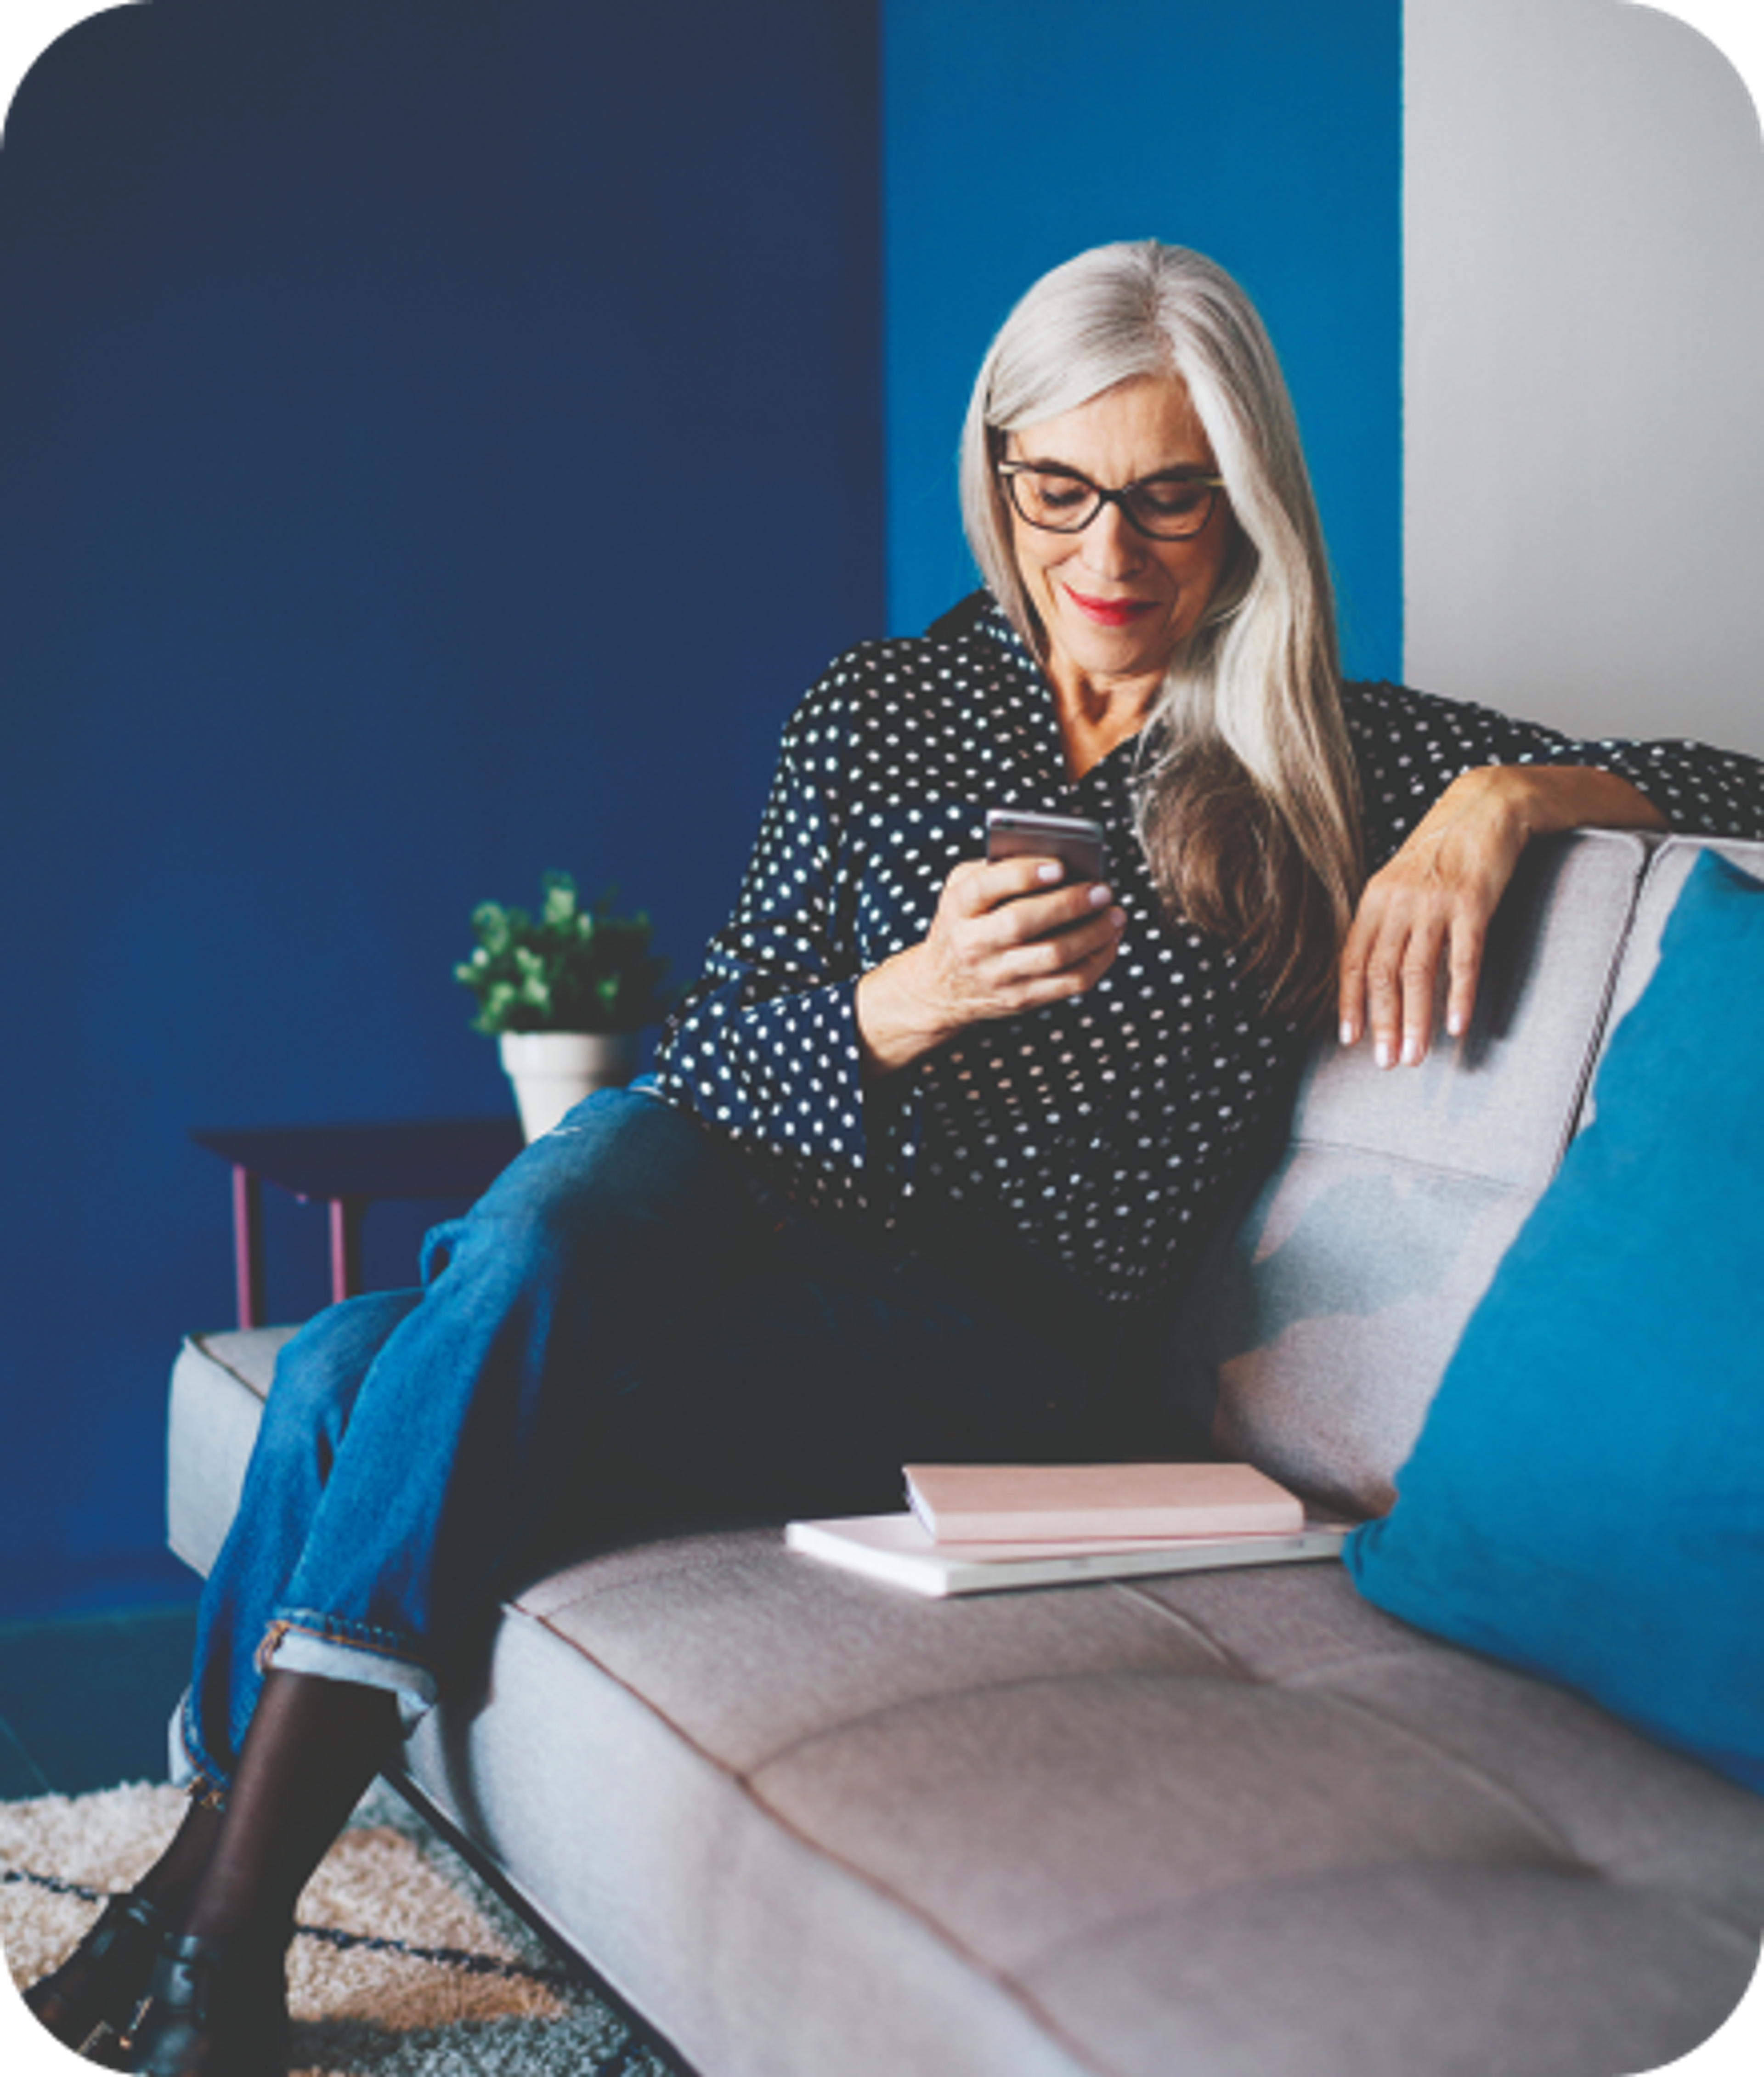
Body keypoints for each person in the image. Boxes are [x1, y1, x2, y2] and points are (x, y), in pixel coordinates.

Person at [24, 241, 1764, 2075]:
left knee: (339, 1368)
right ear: (998, 470)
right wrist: (899, 1002)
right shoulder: (880, 707)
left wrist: (1507, 800)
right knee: (598, 1170)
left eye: (1174, 501)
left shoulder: (1339, 754)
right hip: (726, 1215)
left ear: (1245, 503)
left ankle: (196, 1913)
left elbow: (1733, 767)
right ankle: (219, 1958)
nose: (1111, 560)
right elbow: (711, 1041)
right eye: (1065, 494)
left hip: (994, 1342)